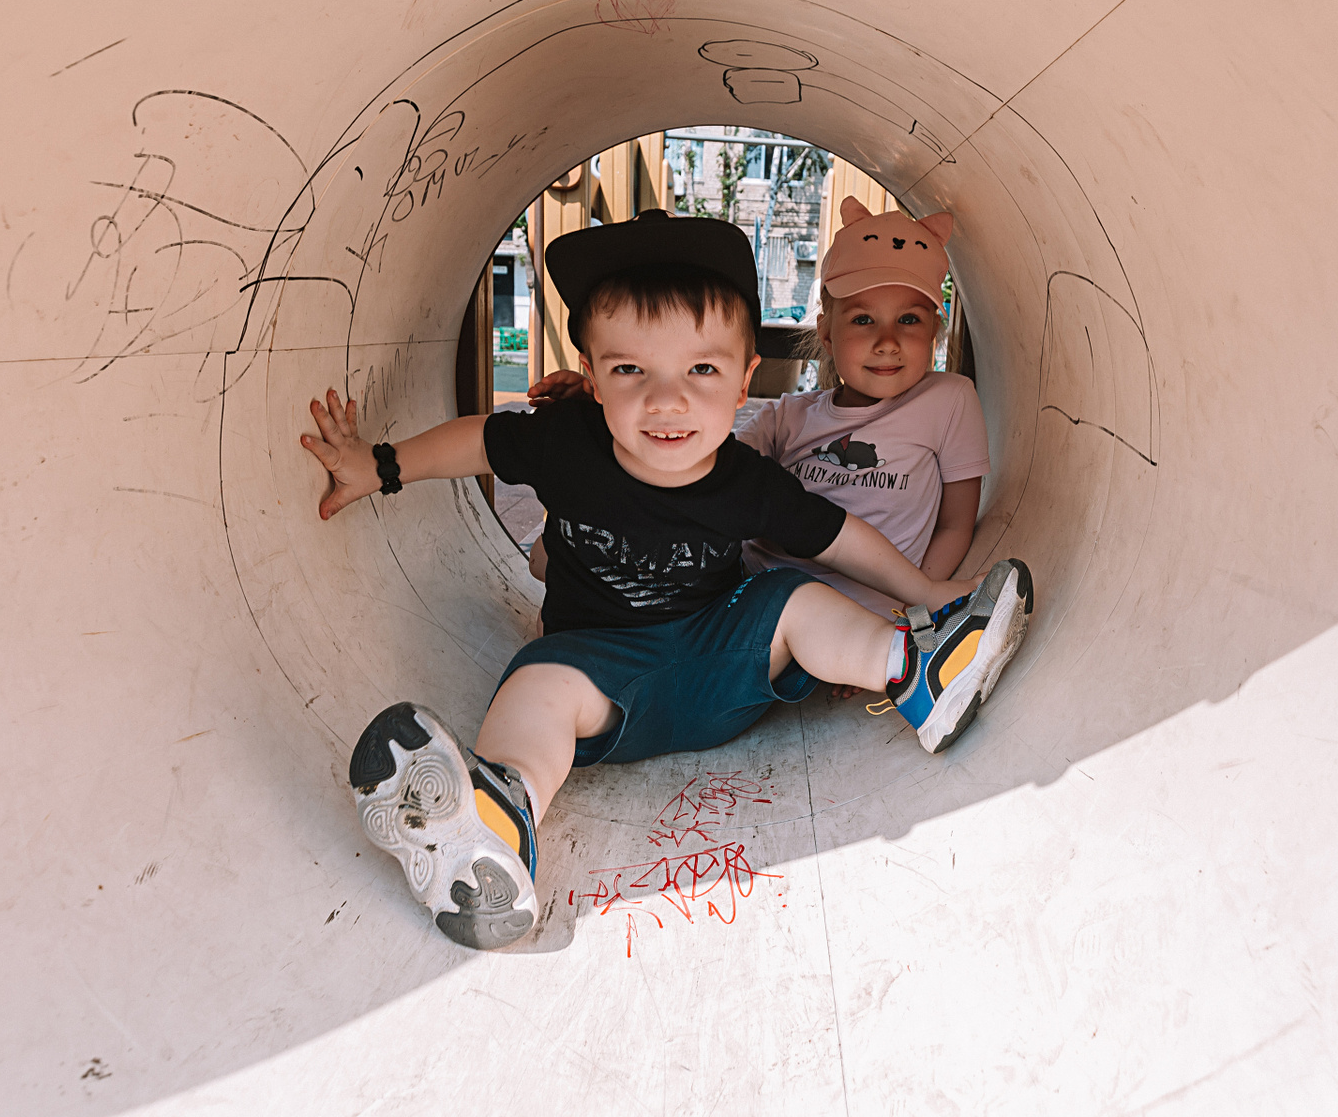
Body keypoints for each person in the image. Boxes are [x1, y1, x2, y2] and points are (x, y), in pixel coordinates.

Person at [300, 209, 1033, 951]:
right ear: (591, 376)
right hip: (602, 679)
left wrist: (926, 593)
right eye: (630, 370)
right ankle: (497, 827)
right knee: (535, 679)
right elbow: (481, 442)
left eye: (702, 370)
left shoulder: (746, 480)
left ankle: (915, 673)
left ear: (745, 379)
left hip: (723, 665)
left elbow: (840, 537)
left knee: (792, 597)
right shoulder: (566, 441)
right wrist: (380, 466)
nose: (667, 400)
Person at [534, 196, 989, 696]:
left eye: (910, 320)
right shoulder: (789, 415)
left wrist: (907, 612)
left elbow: (955, 524)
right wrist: (603, 408)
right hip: (742, 597)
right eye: (863, 320)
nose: (887, 341)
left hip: (862, 608)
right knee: (548, 554)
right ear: (827, 333)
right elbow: (687, 464)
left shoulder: (948, 399)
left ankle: (879, 657)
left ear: (936, 330)